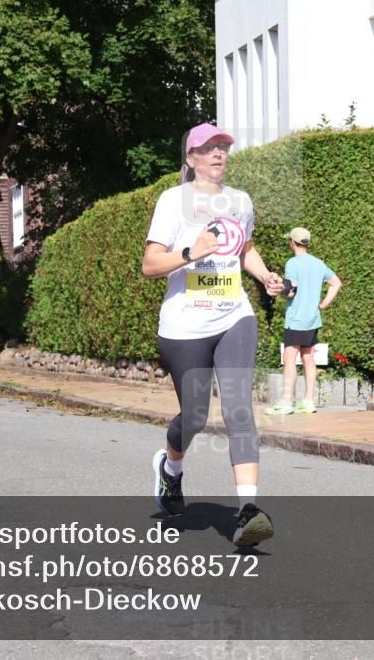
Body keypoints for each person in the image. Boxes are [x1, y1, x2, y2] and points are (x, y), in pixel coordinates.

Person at [141, 122, 285, 547]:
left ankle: (248, 511)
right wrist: (191, 253)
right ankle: (170, 469)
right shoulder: (173, 202)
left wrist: (264, 276)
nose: (219, 154)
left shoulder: (240, 201)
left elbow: (244, 248)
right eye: (209, 148)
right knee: (197, 418)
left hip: (233, 316)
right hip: (184, 326)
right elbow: (150, 264)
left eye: (223, 146)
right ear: (192, 159)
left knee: (240, 409)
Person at [265, 227, 343, 415]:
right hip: (312, 320)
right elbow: (336, 283)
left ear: (292, 243)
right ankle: (308, 401)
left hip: (296, 319)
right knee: (308, 358)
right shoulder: (318, 263)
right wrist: (323, 304)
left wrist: (278, 287)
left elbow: (291, 289)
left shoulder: (292, 263)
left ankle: (285, 401)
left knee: (290, 357)